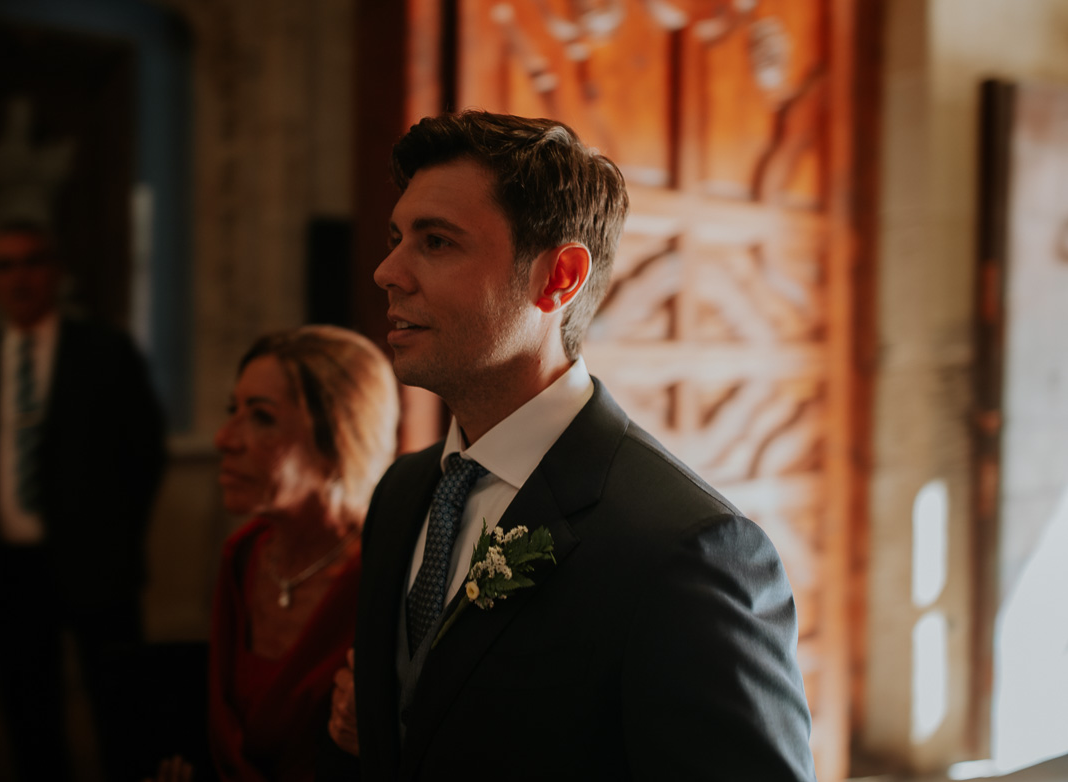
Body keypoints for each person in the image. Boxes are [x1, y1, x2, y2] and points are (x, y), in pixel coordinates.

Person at [328, 110, 817, 780]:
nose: (386, 271)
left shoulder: (688, 552)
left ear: (558, 278)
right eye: (396, 238)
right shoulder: (403, 493)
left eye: (436, 242)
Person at [0, 220, 167, 782]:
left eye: (31, 261)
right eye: (3, 265)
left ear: (54, 270)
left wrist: (116, 539)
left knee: (119, 715)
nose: (18, 276)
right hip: (10, 569)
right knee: (29, 720)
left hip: (99, 568)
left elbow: (145, 452)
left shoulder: (105, 350)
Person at [200, 326, 399, 782]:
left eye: (261, 417)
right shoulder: (243, 555)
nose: (225, 438)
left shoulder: (383, 574)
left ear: (340, 435)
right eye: (234, 410)